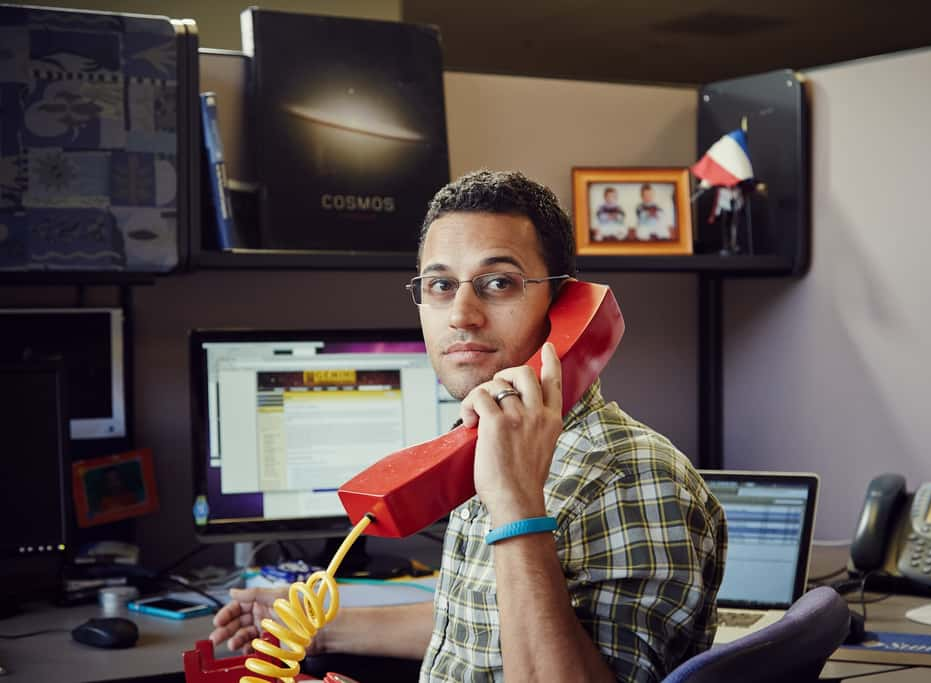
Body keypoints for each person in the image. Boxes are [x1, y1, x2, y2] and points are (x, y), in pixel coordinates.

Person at [210, 170, 727, 682]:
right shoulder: (491, 438)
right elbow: (483, 626)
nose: (461, 314)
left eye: (498, 282)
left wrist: (517, 503)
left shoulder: (630, 480)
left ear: (565, 304)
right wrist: (318, 629)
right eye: (439, 284)